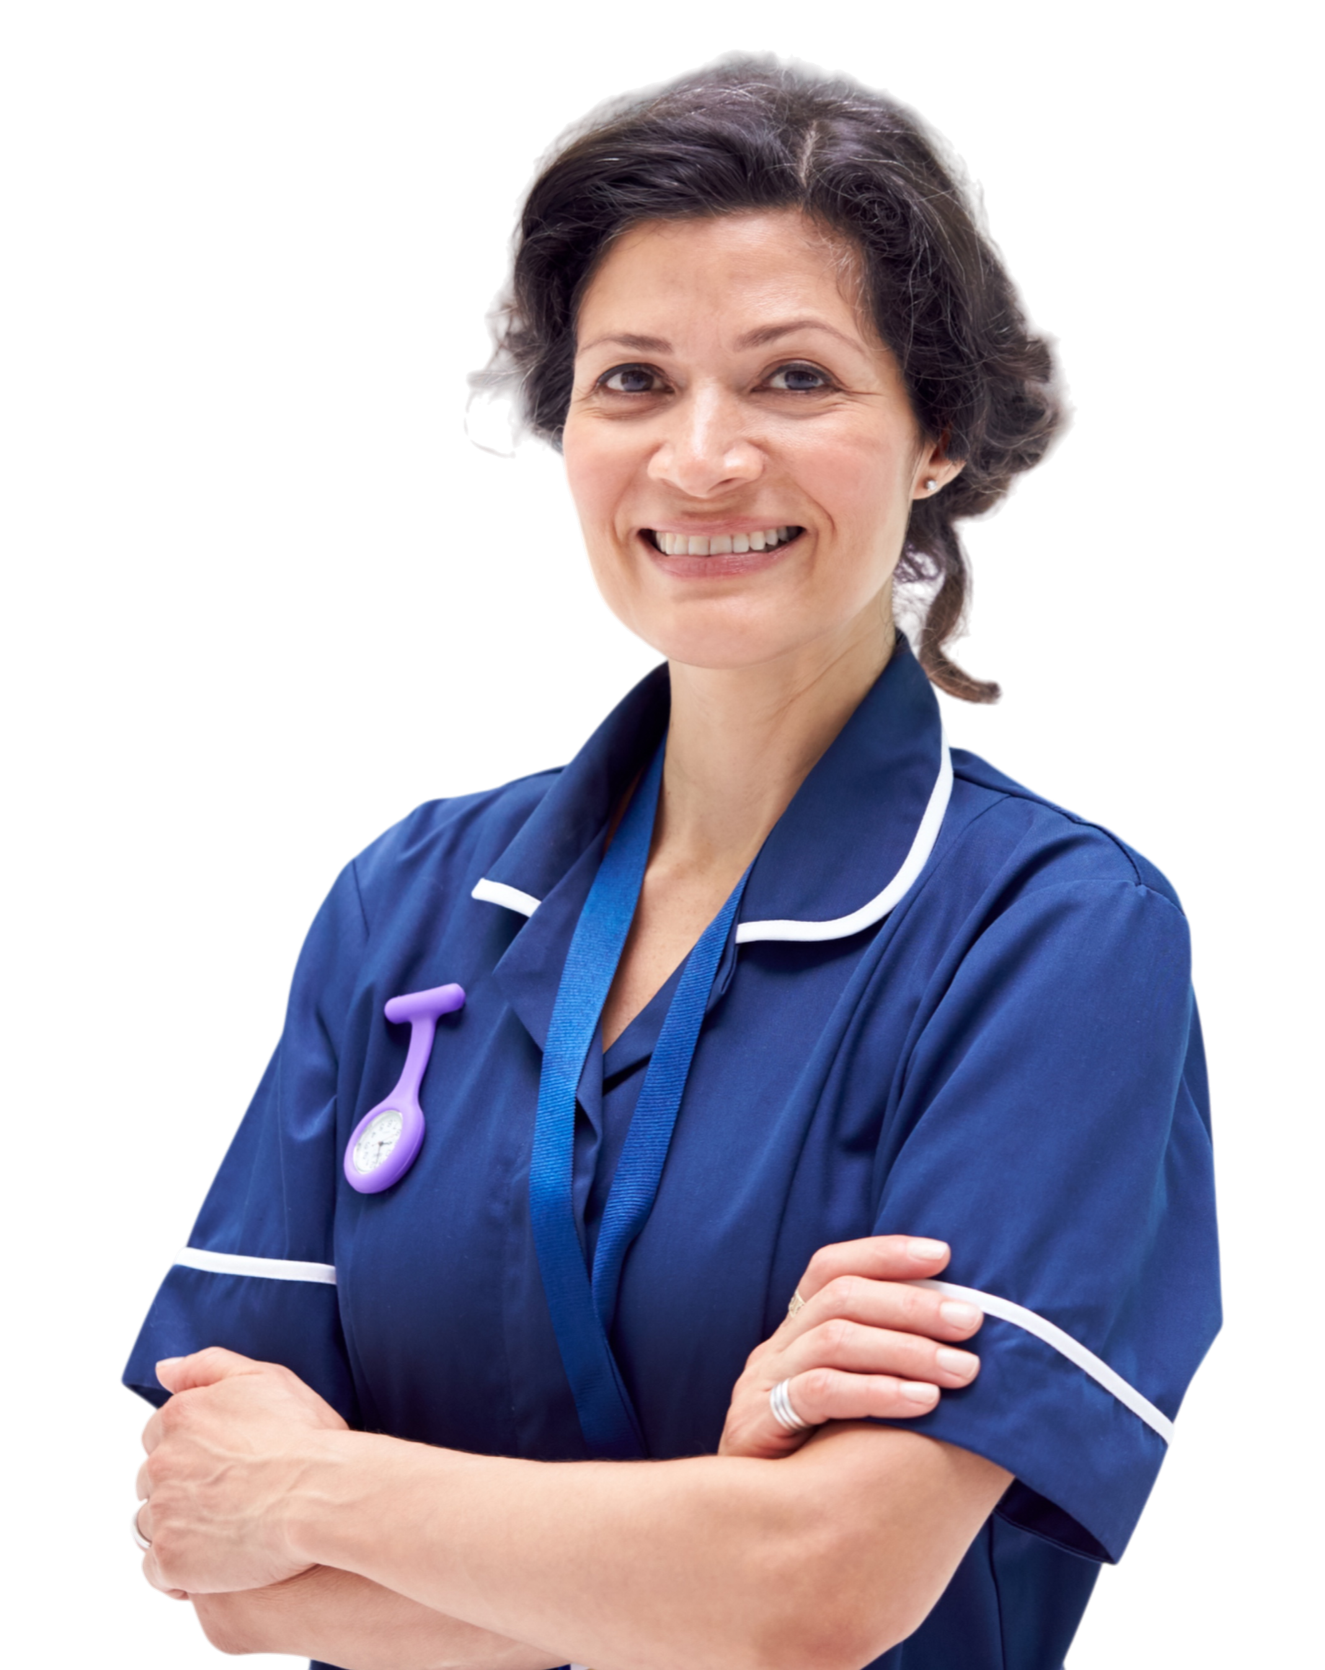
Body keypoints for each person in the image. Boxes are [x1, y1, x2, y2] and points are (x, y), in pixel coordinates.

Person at [124, 51, 1222, 1670]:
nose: (702, 460)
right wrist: (718, 1505)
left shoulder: (1055, 938)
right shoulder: (409, 896)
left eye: (794, 379)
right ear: (562, 437)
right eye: (633, 381)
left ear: (937, 439)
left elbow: (820, 1591)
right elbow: (223, 1559)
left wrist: (328, 1487)